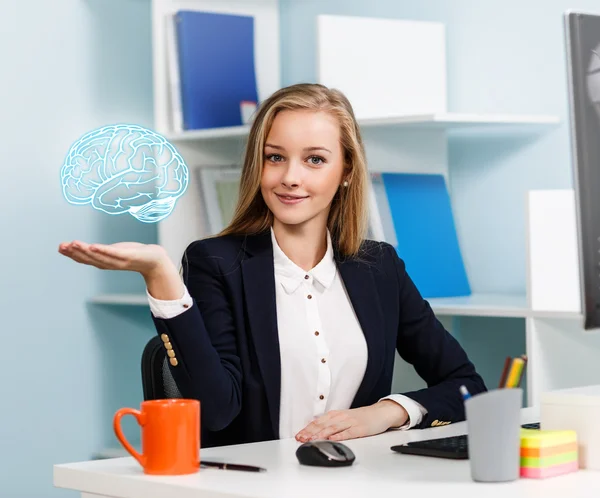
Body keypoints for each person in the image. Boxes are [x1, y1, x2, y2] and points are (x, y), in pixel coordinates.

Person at [58, 83, 487, 448]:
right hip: (253, 494)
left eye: (315, 159)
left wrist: (384, 413)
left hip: (356, 487)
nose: (290, 177)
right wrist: (161, 276)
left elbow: (467, 387)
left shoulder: (380, 268)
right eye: (275, 157)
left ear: (347, 172)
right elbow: (217, 411)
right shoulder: (215, 263)